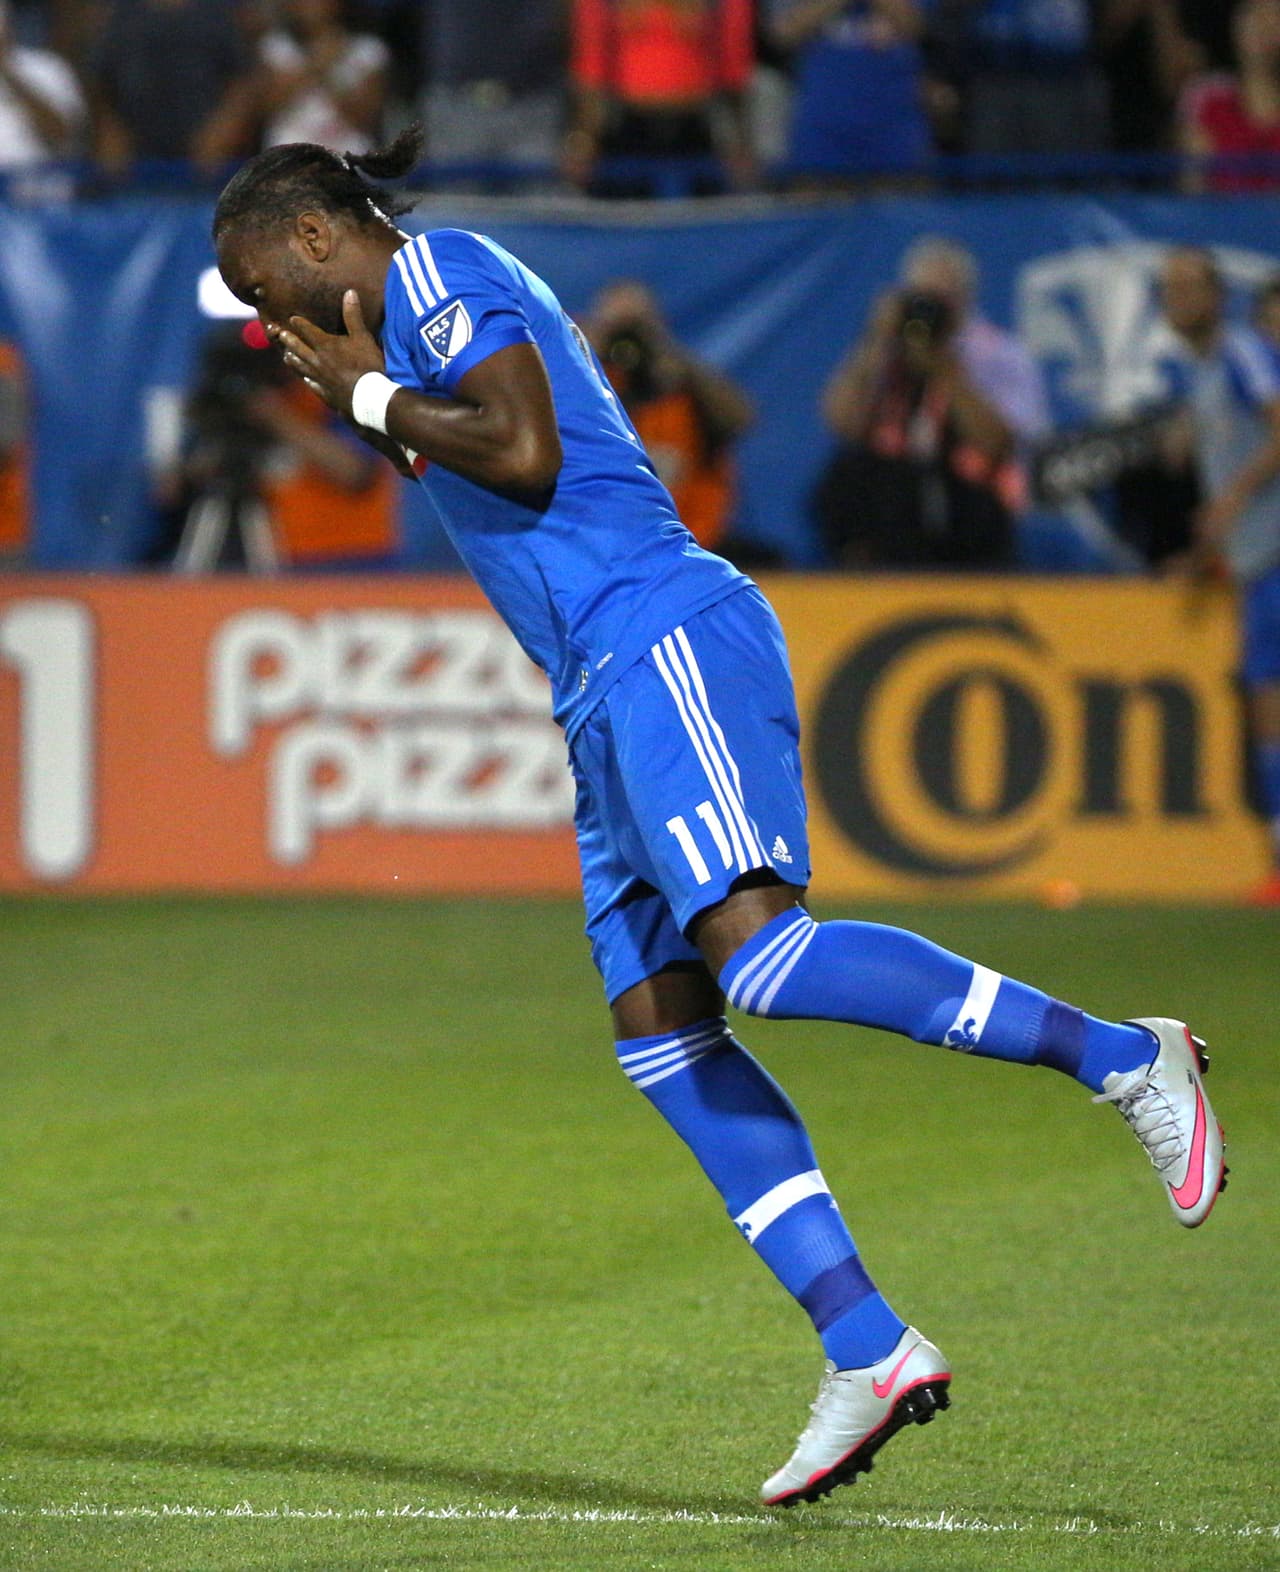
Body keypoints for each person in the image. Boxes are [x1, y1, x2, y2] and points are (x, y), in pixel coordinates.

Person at [212, 128, 1228, 1506]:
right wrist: (377, 399)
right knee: (664, 1035)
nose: (264, 314)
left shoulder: (442, 276)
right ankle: (865, 1344)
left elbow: (517, 450)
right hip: (599, 686)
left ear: (319, 234)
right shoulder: (404, 330)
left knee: (763, 957)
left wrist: (377, 397)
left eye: (259, 279)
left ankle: (1125, 1058)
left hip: (663, 636)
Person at [1161, 247, 1280, 905]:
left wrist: (1230, 500)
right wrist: (1210, 550)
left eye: (1186, 286)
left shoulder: (1242, 353)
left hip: (1274, 560)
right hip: (1256, 563)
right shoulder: (1205, 371)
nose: (1175, 299)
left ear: (1217, 294)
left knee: (1270, 709)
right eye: (1166, 289)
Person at [816, 235, 1047, 569]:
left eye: (942, 300)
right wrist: (875, 340)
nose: (929, 311)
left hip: (969, 500)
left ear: (966, 299)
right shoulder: (887, 350)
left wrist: (943, 368)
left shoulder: (998, 354)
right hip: (892, 504)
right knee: (847, 477)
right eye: (921, 299)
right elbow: (841, 422)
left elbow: (999, 443)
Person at [584, 279, 754, 557]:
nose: (628, 337)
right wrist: (584, 353)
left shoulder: (685, 388)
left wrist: (665, 350)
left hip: (693, 545)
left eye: (638, 325)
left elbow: (741, 418)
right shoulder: (583, 388)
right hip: (601, 548)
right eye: (618, 326)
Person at [563, 0, 755, 196]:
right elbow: (592, 61)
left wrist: (739, 140)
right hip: (629, 127)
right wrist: (584, 138)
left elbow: (732, 62)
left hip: (694, 128)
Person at [766, 0, 934, 187]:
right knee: (813, 208)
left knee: (904, 205)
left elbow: (915, 26)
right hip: (822, 125)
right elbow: (785, 33)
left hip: (893, 124)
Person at [256, 0, 390, 156]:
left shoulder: (368, 51)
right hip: (289, 158)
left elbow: (365, 119)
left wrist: (330, 74)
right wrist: (316, 65)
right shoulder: (275, 47)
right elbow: (269, 108)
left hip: (349, 156)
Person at [1179, 0, 1280, 192]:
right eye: (1251, 11)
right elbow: (1193, 189)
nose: (1261, 23)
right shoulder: (1206, 97)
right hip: (1218, 220)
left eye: (1274, 14)